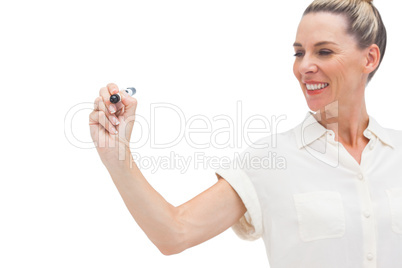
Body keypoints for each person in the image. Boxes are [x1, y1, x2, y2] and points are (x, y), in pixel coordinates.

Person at [89, 0, 402, 266]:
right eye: (298, 53)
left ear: (369, 58)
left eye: (324, 52)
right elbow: (175, 233)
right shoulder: (273, 160)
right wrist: (117, 156)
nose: (304, 66)